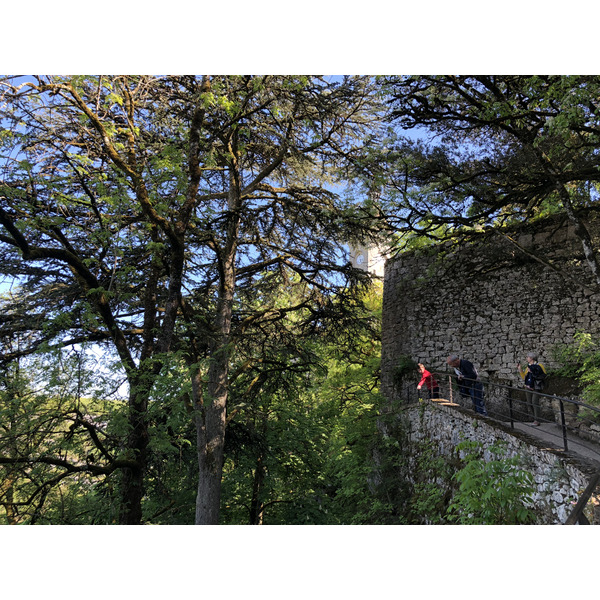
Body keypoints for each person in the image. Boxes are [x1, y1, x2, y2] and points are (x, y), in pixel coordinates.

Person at [517, 352, 547, 426]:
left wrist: (533, 372)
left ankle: (537, 420)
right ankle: (535, 418)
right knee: (529, 403)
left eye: (527, 357)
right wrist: (520, 370)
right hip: (528, 386)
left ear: (531, 358)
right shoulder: (528, 367)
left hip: (536, 386)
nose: (526, 358)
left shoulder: (540, 365)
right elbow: (525, 378)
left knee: (534, 402)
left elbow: (543, 375)